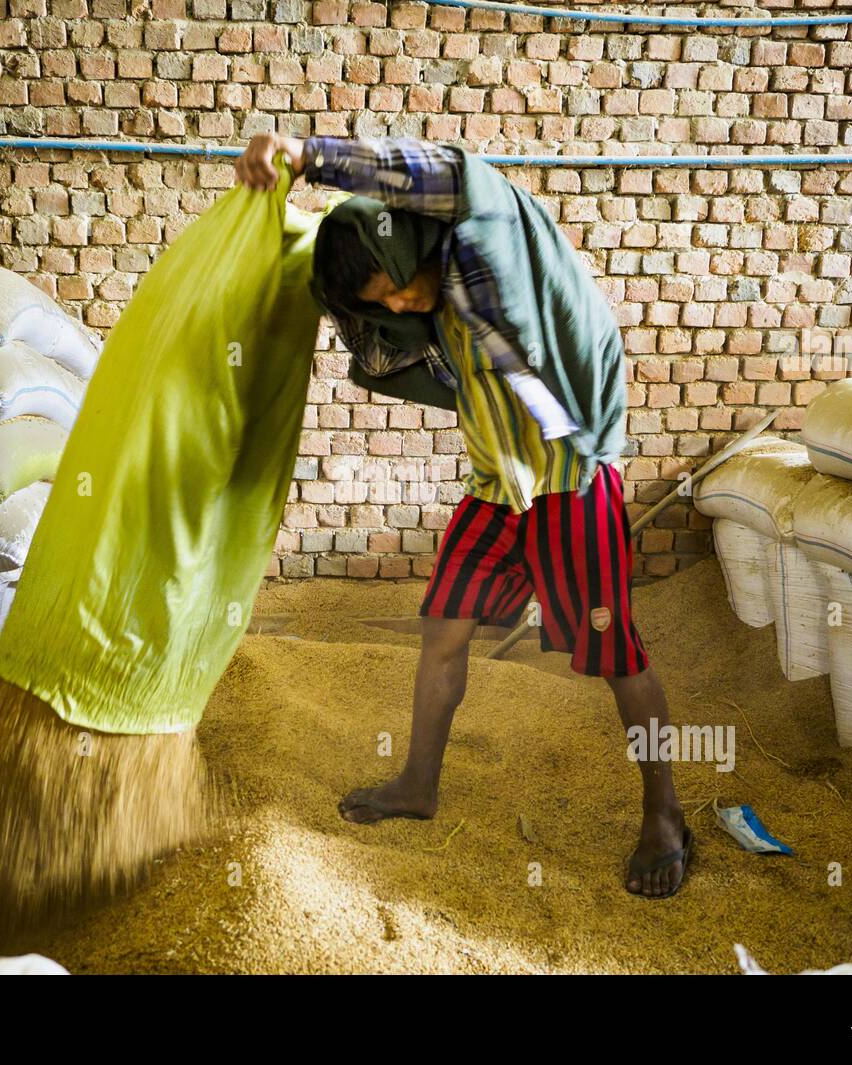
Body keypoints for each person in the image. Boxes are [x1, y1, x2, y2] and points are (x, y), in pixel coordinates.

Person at [236, 133, 691, 898]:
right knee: (443, 624)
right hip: (497, 484)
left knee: (615, 652)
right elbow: (383, 337)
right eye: (378, 302)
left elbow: (431, 171)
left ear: (407, 236)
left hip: (572, 478)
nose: (397, 303)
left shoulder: (490, 227)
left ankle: (665, 812)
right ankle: (418, 782)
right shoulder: (427, 302)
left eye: (392, 285)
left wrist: (306, 155)